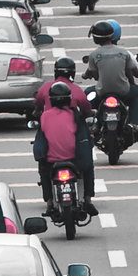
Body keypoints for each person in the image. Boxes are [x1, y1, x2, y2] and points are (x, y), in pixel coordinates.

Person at [35, 83, 97, 216]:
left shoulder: (45, 116)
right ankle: (87, 199)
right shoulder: (75, 116)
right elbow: (85, 140)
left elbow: (41, 140)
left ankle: (49, 202)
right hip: (75, 160)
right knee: (88, 168)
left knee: (43, 171)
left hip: (51, 162)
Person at [82, 20, 138, 128]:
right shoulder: (124, 52)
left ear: (95, 38)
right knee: (136, 91)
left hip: (102, 92)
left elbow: (95, 75)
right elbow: (134, 70)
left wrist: (86, 75)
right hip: (123, 91)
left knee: (87, 93)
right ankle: (134, 123)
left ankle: (93, 121)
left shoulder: (94, 55)